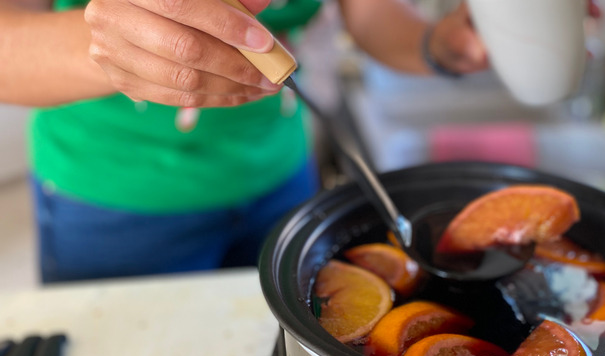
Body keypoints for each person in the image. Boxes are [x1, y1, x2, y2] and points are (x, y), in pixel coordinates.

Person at [0, 0, 490, 283]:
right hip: (113, 201)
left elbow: (370, 13)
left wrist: (437, 46)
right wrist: (111, 47)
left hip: (281, 181)